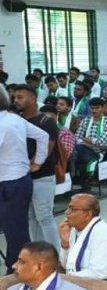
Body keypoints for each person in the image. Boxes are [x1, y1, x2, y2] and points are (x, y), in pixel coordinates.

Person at [13, 85, 59, 250]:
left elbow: (47, 148)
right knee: (31, 218)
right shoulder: (17, 121)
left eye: (20, 97)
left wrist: (31, 165)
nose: (16, 100)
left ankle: (55, 255)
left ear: (32, 99)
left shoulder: (46, 121)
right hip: (23, 177)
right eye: (15, 97)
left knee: (44, 217)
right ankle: (39, 253)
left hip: (42, 176)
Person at [58, 194, 107, 282]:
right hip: (83, 281)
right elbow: (67, 267)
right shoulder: (74, 230)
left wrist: (66, 279)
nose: (66, 212)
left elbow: (98, 273)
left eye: (72, 209)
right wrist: (65, 244)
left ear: (88, 215)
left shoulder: (104, 232)